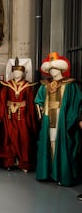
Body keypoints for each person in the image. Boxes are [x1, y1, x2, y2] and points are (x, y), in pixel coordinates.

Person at [35, 52, 82, 187]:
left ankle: (61, 174)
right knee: (49, 143)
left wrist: (69, 120)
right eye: (50, 69)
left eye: (55, 68)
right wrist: (41, 112)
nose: (52, 71)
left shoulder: (70, 85)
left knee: (62, 145)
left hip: (62, 119)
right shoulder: (45, 85)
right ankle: (49, 172)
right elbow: (38, 101)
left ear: (61, 69)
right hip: (48, 118)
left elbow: (76, 104)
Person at [0, 57, 38, 172]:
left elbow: (30, 103)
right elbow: (2, 101)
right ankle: (9, 160)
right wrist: (1, 115)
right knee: (8, 137)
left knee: (23, 138)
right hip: (9, 115)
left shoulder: (28, 86)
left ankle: (23, 162)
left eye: (19, 71)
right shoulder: (7, 85)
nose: (16, 73)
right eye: (14, 71)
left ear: (23, 73)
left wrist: (31, 117)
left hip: (23, 116)